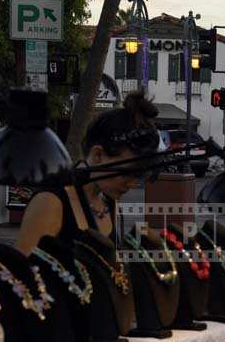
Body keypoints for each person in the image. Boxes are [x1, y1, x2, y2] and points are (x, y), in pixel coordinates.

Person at [16, 91, 160, 254]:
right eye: (127, 173)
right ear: (97, 154)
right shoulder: (51, 201)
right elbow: (22, 266)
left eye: (138, 176)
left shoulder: (107, 199)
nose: (133, 184)